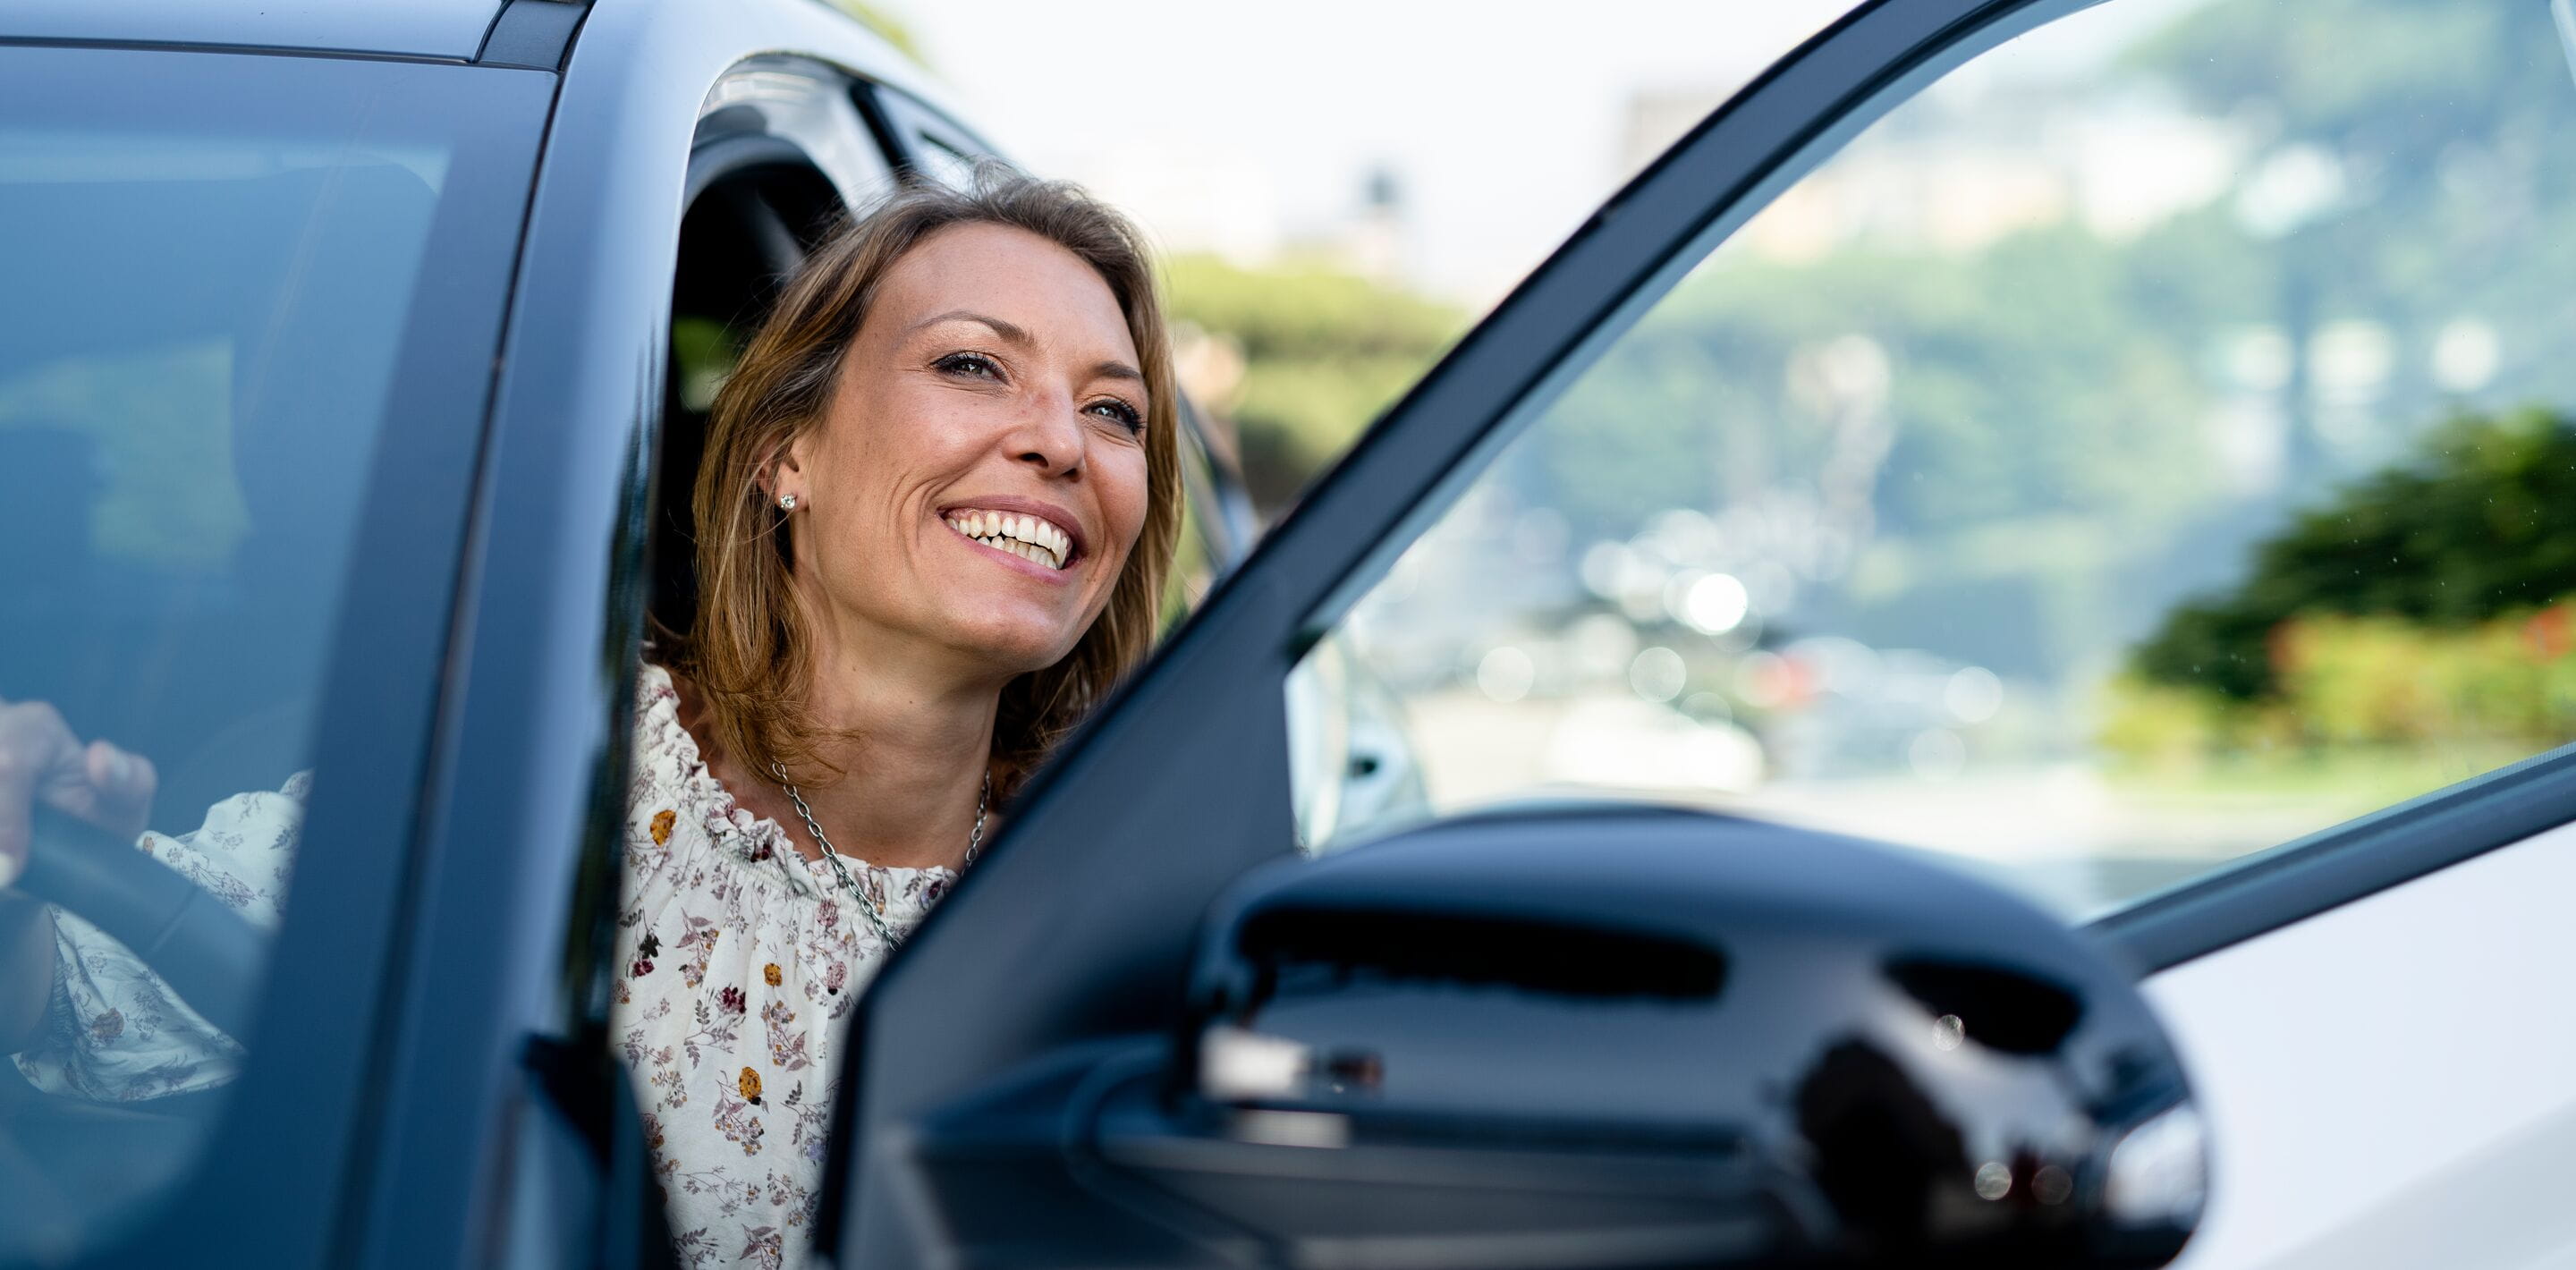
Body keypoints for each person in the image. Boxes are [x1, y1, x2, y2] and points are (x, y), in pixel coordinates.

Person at [0, 165, 1182, 1267]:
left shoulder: (1150, 909)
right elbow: (80, 999)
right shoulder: (530, 786)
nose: (1060, 442)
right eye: (975, 366)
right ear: (785, 455)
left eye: (1116, 412)